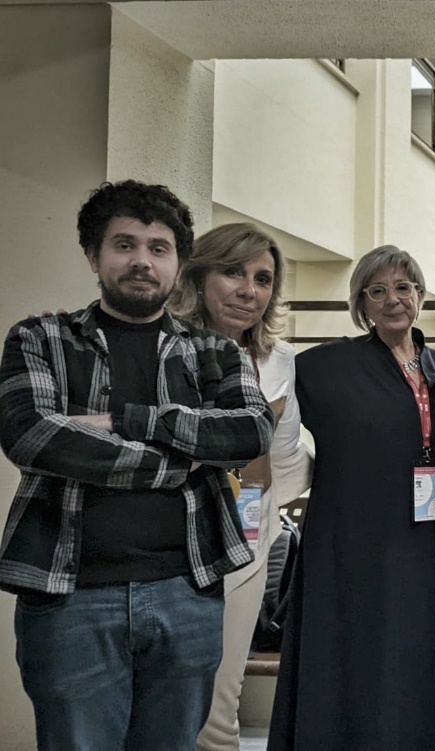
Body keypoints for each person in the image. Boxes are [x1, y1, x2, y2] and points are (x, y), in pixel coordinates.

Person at [0, 180, 273, 750]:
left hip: (186, 592)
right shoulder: (40, 339)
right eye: (124, 245)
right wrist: (183, 458)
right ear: (94, 256)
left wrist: (119, 419)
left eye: (158, 248)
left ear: (177, 265)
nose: (141, 261)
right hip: (71, 596)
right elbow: (33, 437)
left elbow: (249, 433)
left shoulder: (215, 352)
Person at [268, 245, 435, 750]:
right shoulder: (324, 366)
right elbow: (260, 377)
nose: (392, 300)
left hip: (426, 546)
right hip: (349, 544)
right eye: (376, 291)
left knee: (417, 659)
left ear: (420, 295)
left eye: (403, 288)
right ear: (361, 303)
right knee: (347, 657)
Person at [170, 222, 314, 751]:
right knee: (166, 697)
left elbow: (288, 460)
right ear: (200, 275)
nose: (248, 290)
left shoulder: (279, 361)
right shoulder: (167, 347)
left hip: (248, 543)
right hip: (168, 545)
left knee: (222, 703)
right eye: (232, 272)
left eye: (262, 278)